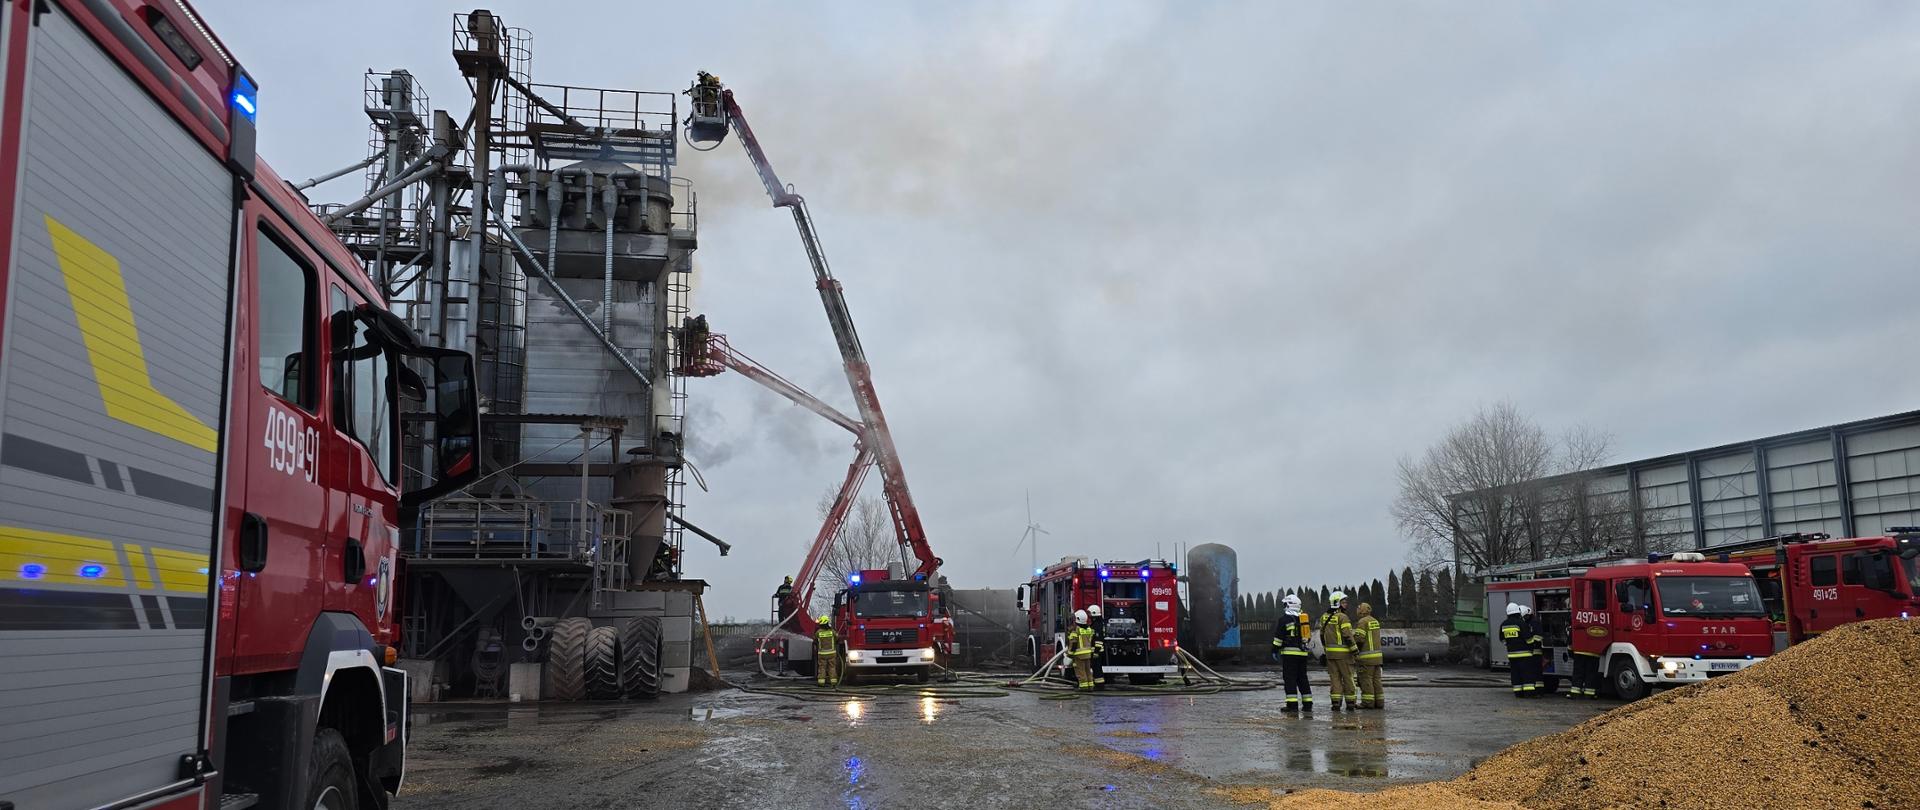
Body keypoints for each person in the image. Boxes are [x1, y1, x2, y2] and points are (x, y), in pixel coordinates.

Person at [1271, 593, 1314, 713]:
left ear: (1289, 605)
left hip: (1290, 654)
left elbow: (1278, 638)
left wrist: (1274, 650)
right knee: (1302, 678)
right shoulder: (1303, 619)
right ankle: (1307, 704)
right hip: (1303, 654)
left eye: (1285, 604)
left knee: (1290, 679)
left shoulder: (1284, 619)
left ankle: (1292, 705)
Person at [1320, 591, 1358, 710]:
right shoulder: (1343, 617)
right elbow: (1347, 635)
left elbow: (1322, 635)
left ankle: (1336, 703)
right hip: (1344, 655)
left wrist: (1326, 649)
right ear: (1337, 603)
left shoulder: (1324, 617)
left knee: (1335, 679)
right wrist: (1355, 649)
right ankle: (1350, 703)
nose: (1346, 604)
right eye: (1343, 602)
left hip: (1330, 655)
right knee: (1348, 678)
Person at [1353, 602, 1385, 709]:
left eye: (1358, 608)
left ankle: (1368, 702)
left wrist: (1354, 649)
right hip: (1377, 657)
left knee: (1366, 680)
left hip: (1366, 658)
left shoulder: (1362, 622)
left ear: (1362, 611)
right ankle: (1379, 702)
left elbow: (1360, 639)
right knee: (1377, 681)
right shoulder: (1375, 621)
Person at [1500, 603, 1535, 697]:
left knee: (1515, 674)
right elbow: (1528, 638)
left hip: (1512, 654)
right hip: (1525, 654)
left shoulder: (1504, 624)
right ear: (1518, 612)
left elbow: (1502, 639)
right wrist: (1532, 647)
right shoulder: (1521, 623)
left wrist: (1509, 644)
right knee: (1527, 673)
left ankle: (1518, 692)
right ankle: (1529, 693)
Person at [1067, 609, 1097, 690]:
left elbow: (1073, 643)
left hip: (1079, 655)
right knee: (1088, 670)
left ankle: (1083, 687)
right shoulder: (1089, 629)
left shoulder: (1076, 630)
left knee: (1080, 671)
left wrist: (1070, 653)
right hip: (1088, 654)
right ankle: (1090, 685)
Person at [1523, 605, 1546, 694]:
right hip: (1532, 651)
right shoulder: (1530, 622)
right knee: (1535, 672)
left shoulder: (1534, 622)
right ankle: (1538, 689)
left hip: (1536, 650)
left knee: (1536, 671)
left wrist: (1530, 642)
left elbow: (1538, 636)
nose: (1524, 618)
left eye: (1525, 616)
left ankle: (1538, 690)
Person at [813, 615, 840, 687]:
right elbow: (837, 639)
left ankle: (821, 683)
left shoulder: (818, 632)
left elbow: (814, 640)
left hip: (822, 654)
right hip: (832, 653)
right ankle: (833, 682)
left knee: (822, 668)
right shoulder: (832, 631)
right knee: (832, 667)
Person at [1086, 604, 1108, 688]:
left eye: (1090, 614)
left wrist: (1096, 652)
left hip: (1097, 651)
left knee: (1097, 669)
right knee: (1096, 668)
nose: (1089, 616)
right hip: (1096, 651)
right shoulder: (1097, 624)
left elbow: (1098, 640)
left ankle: (1099, 685)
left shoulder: (1097, 625)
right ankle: (1098, 683)